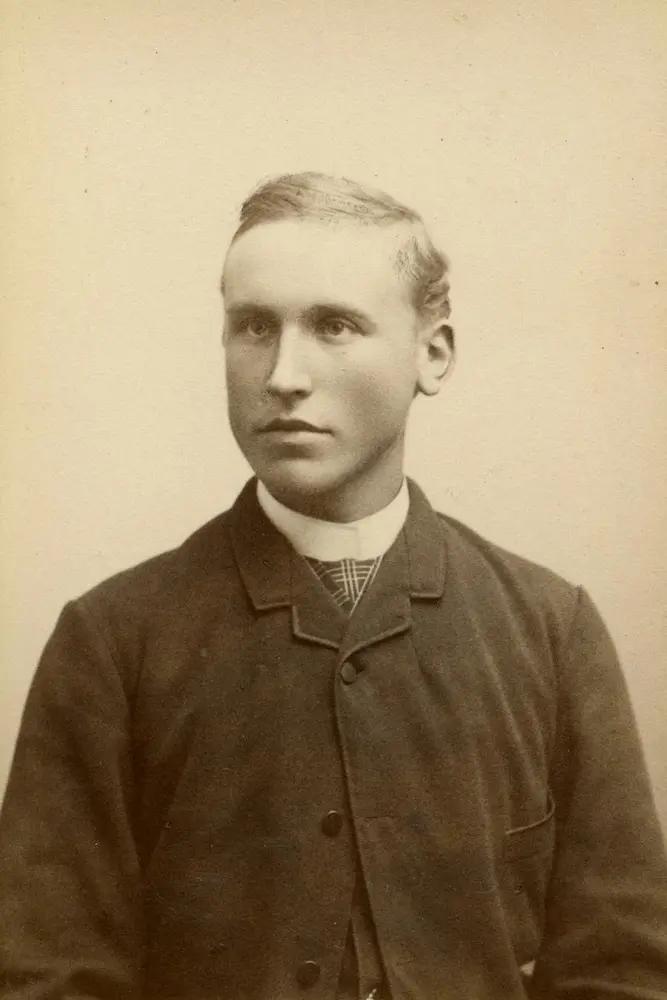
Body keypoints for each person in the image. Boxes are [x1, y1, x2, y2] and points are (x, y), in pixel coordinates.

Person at [1, 172, 666, 1000]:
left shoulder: (548, 628)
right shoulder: (112, 640)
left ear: (432, 354)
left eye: (334, 326)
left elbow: (621, 966)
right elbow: (51, 975)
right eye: (253, 327)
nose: (283, 374)